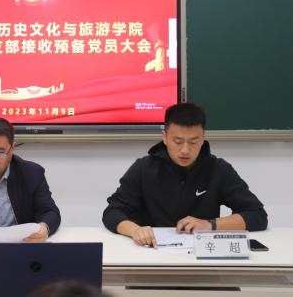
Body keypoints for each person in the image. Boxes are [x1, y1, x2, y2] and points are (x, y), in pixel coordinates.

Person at [102, 102, 267, 247]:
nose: (185, 150)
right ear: (165, 137)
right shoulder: (144, 168)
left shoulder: (218, 169)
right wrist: (135, 230)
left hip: (202, 256)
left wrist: (210, 225)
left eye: (193, 142)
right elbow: (112, 212)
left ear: (203, 138)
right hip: (152, 253)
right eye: (178, 141)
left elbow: (257, 215)